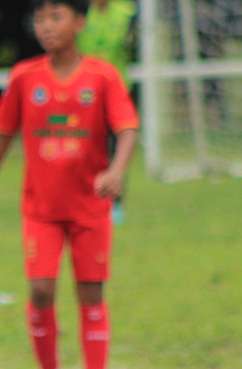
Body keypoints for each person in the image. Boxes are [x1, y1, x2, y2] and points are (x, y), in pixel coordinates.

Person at [0, 0, 138, 369]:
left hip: (90, 208)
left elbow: (128, 129)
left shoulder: (103, 75)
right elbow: (1, 137)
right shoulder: (24, 77)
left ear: (79, 22)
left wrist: (116, 170)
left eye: (56, 16)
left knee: (90, 292)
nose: (46, 26)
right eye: (39, 18)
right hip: (40, 208)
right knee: (41, 291)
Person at [77, 0, 137, 224]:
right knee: (85, 148)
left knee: (117, 147)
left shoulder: (126, 12)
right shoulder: (81, 14)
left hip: (118, 91)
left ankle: (116, 203)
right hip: (86, 94)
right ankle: (86, 199)